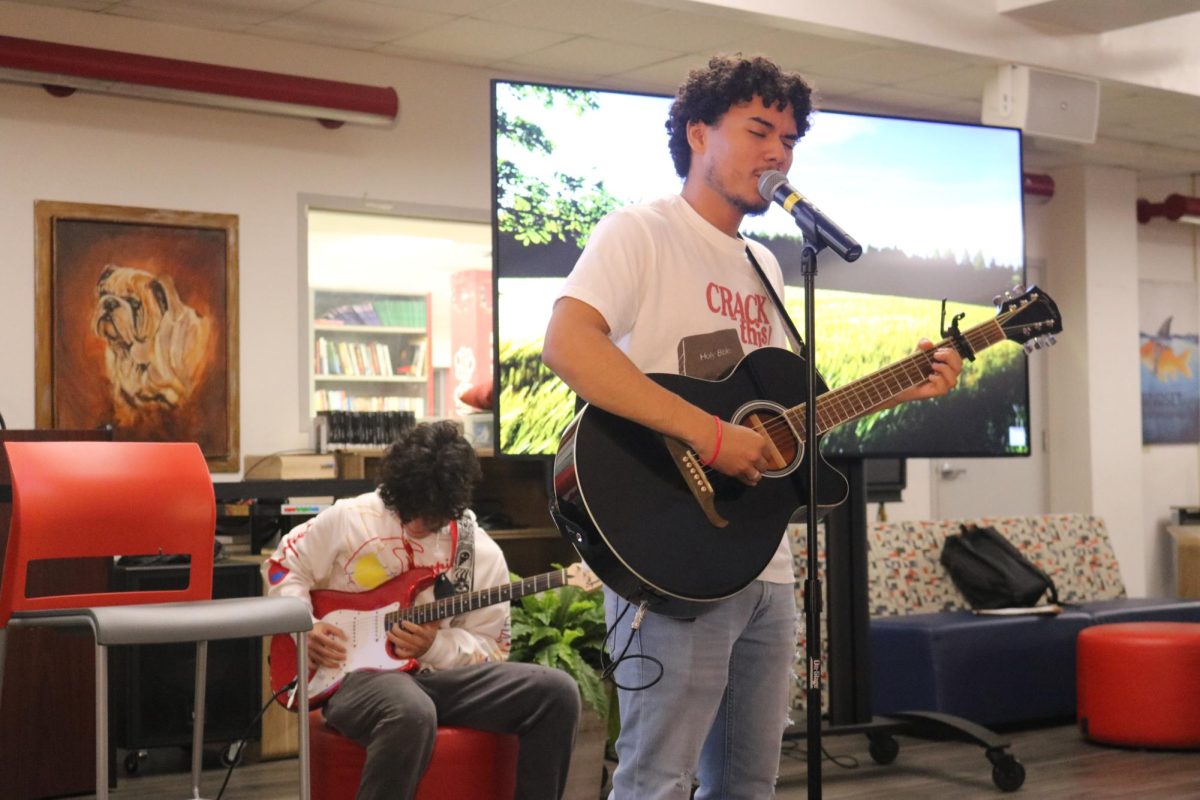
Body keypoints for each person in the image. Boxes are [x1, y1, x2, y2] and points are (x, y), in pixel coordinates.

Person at [541, 54, 964, 799]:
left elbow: (785, 417)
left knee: (749, 785)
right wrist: (708, 436)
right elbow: (569, 346)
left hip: (761, 559)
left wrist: (905, 383)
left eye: (791, 140)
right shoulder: (640, 231)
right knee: (658, 780)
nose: (779, 152)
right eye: (760, 130)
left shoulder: (766, 262)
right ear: (698, 134)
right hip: (671, 551)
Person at [263, 420, 581, 800]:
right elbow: (283, 566)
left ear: (453, 505)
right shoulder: (349, 519)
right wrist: (306, 627)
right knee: (411, 712)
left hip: (440, 678)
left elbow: (492, 646)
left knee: (558, 692)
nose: (415, 525)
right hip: (356, 677)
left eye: (429, 518)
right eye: (407, 511)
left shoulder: (479, 553)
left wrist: (434, 647)